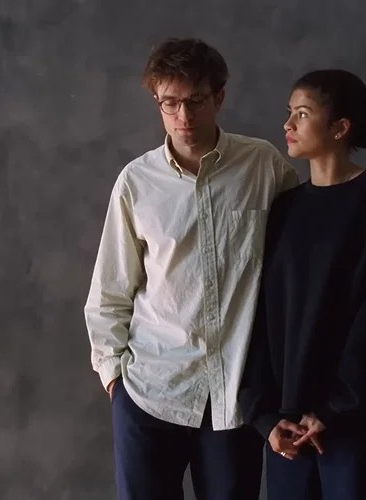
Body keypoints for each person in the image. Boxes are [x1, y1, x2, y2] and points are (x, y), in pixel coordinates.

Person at [84, 38, 299, 500]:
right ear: (157, 101)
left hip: (234, 398)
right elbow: (110, 290)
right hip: (149, 390)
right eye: (171, 102)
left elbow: (295, 270)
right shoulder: (136, 182)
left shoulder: (263, 166)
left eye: (196, 101)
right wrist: (114, 378)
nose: (184, 116)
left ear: (219, 98)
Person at [238, 69, 366, 500]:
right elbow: (264, 314)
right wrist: (265, 415)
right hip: (289, 423)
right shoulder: (284, 208)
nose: (287, 125)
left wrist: (334, 408)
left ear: (340, 127)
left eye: (302, 114)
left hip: (358, 415)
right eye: (289, 113)